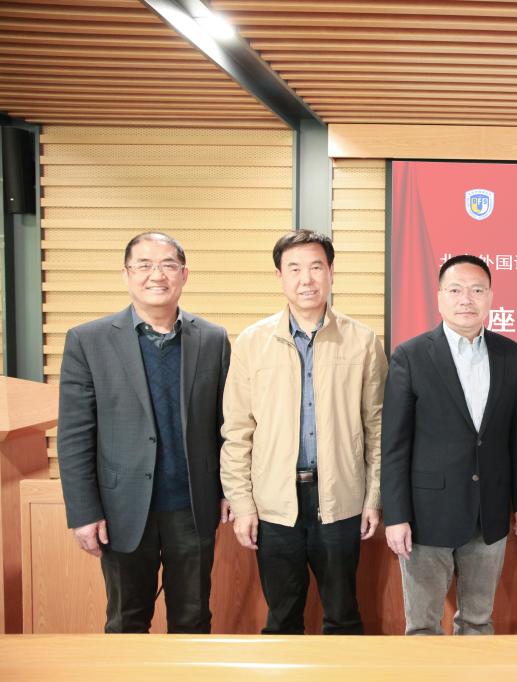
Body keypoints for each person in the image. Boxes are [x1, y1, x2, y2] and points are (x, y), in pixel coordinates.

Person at [58, 232, 230, 633]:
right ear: (126, 274)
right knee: (126, 620)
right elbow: (75, 435)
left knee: (193, 619)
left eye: (168, 265)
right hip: (121, 510)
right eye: (144, 265)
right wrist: (84, 512)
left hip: (192, 506)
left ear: (184, 274)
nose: (157, 275)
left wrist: (228, 491)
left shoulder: (213, 339)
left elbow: (225, 426)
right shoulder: (88, 340)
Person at [220, 229, 387, 635]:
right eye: (294, 269)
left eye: (316, 267)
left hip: (341, 500)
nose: (306, 279)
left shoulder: (363, 341)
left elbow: (378, 428)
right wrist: (242, 504)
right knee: (281, 620)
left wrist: (374, 497)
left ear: (331, 271)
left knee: (344, 616)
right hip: (274, 503)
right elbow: (237, 432)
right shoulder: (251, 343)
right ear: (279, 276)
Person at [381, 254, 517, 635]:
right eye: (455, 290)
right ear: (439, 297)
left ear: (490, 297)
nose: (467, 299)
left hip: (489, 512)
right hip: (426, 515)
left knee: (479, 621)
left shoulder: (510, 354)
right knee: (423, 626)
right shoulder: (411, 355)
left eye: (477, 290)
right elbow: (394, 444)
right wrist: (396, 515)